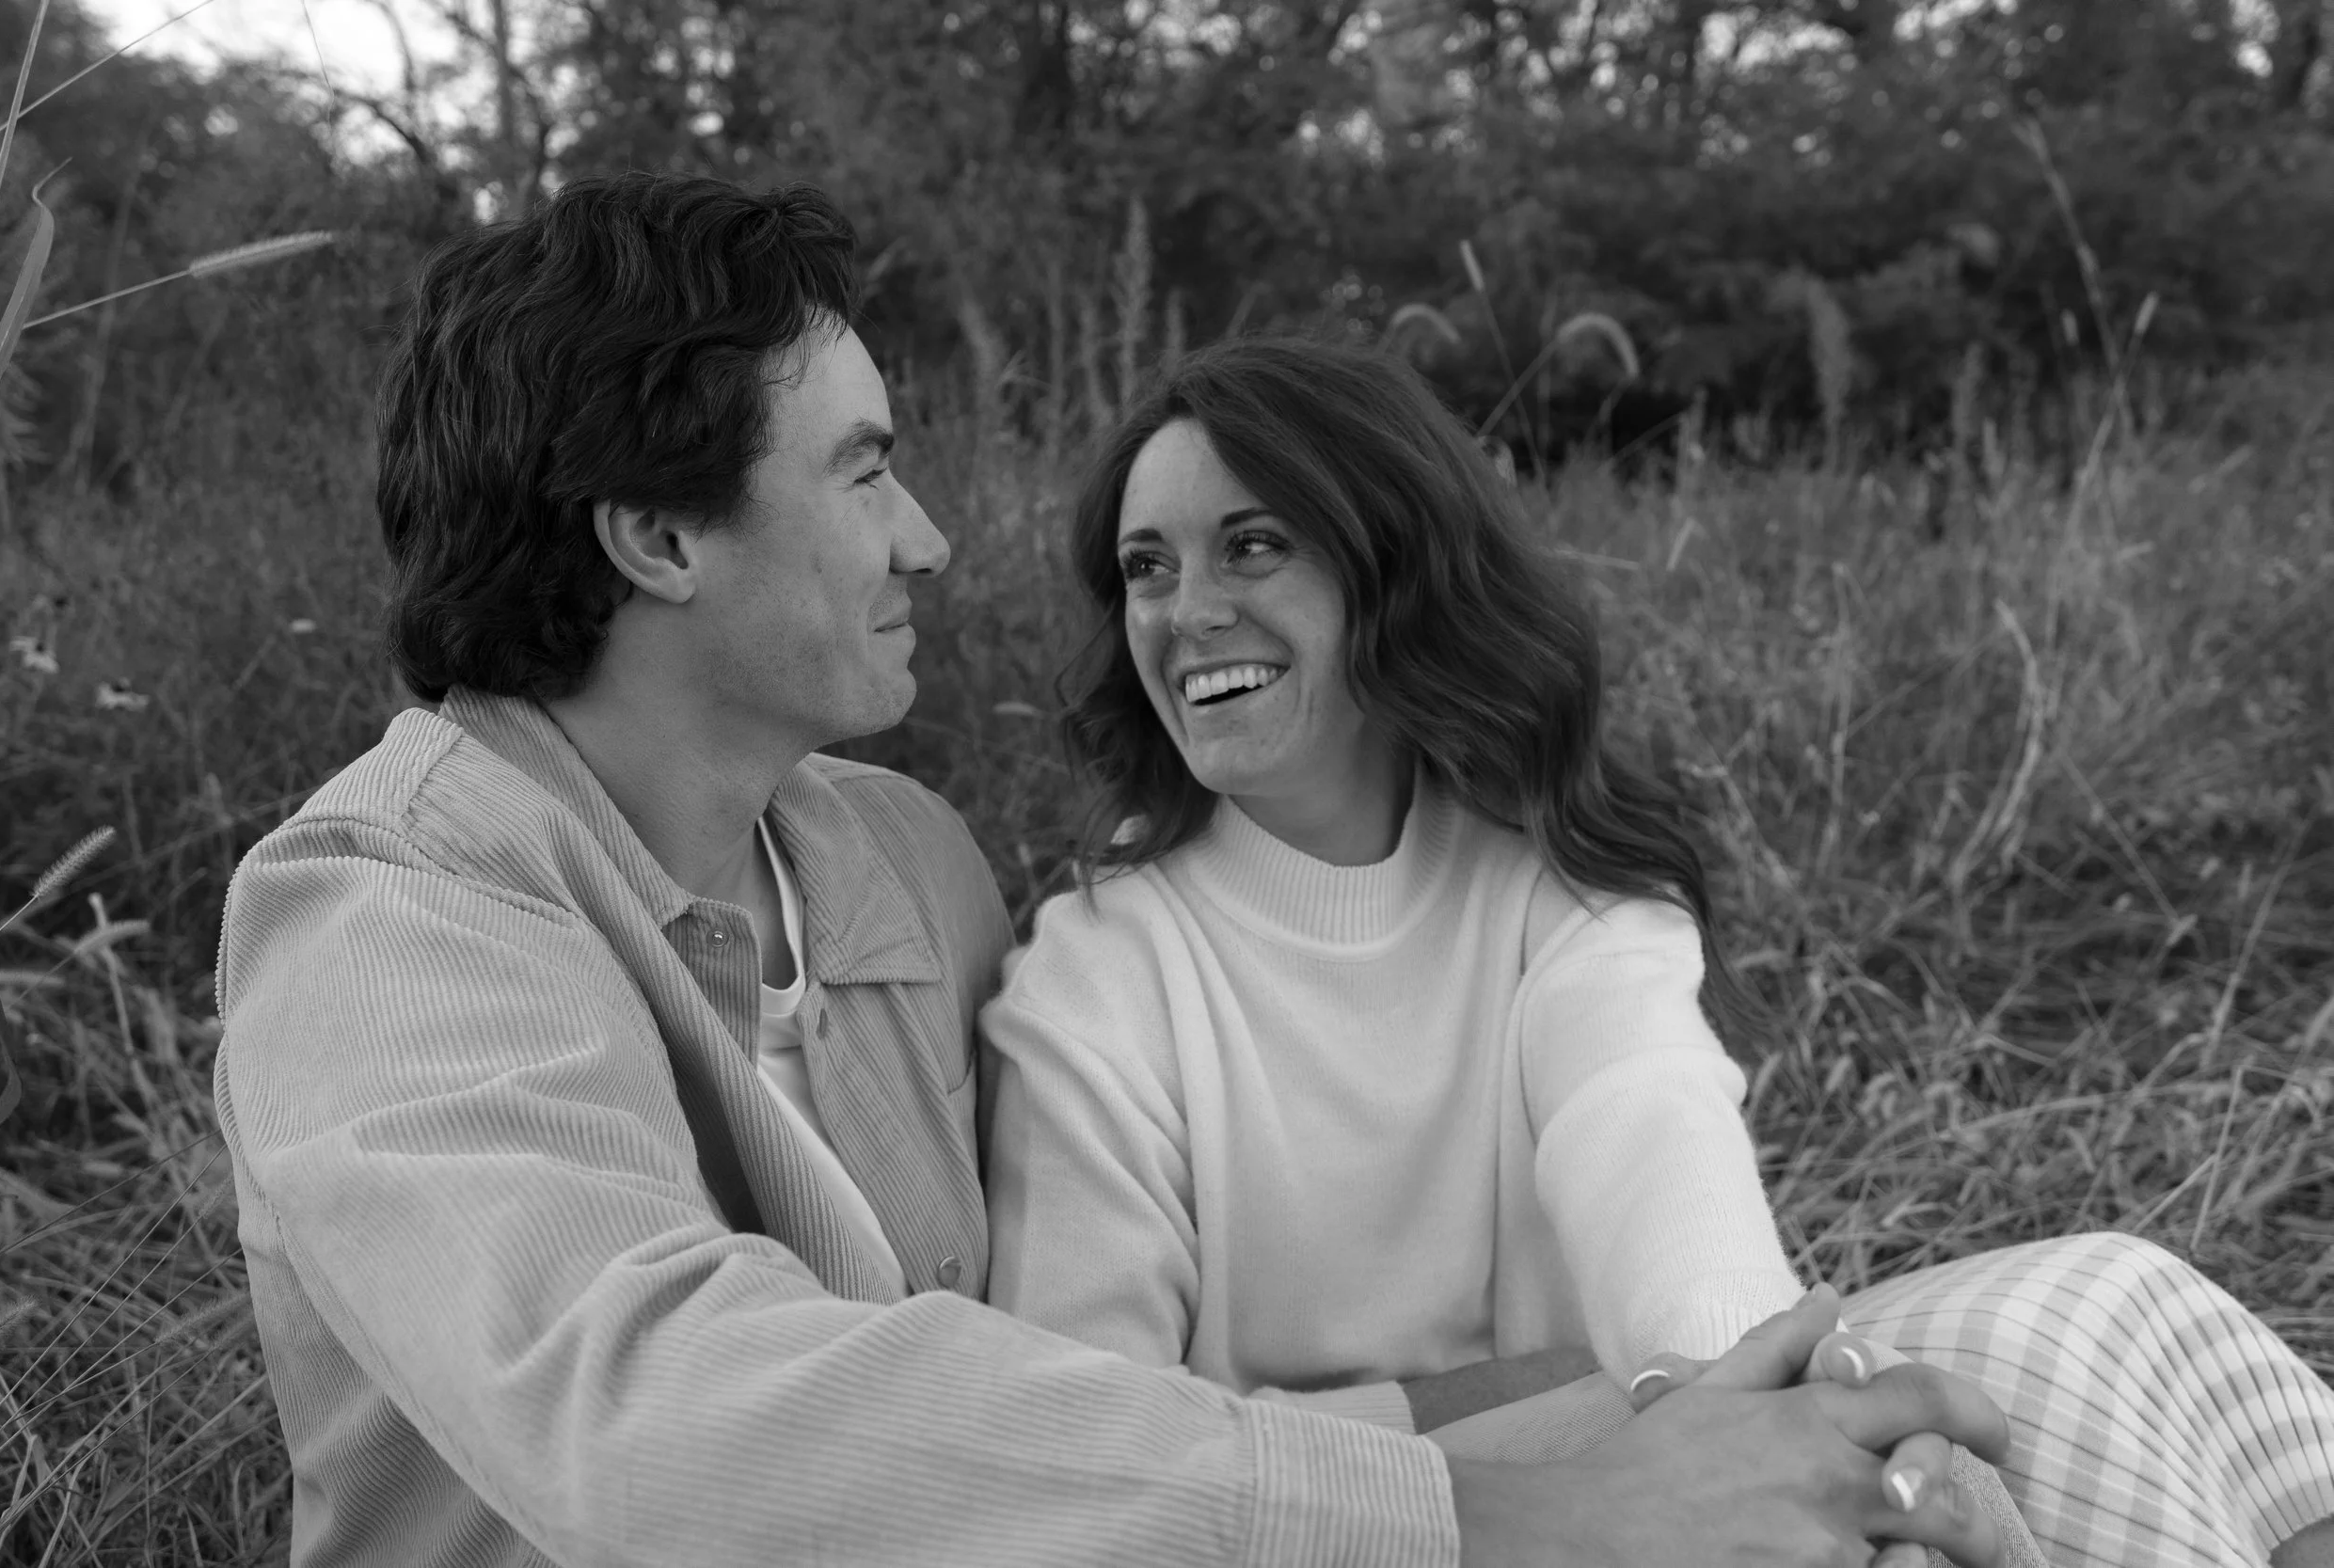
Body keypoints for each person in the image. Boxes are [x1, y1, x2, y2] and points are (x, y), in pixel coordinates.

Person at [215, 169, 2017, 1567]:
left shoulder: (900, 863)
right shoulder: (392, 913)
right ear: (659, 533)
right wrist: (1537, 1511)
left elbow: (1071, 1406)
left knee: (2048, 1348)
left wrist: (1613, 1410)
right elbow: (651, 1414)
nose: (925, 539)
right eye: (862, 473)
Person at [979, 334, 2334, 1568]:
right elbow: (1088, 1458)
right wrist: (1553, 1405)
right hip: (1341, 1531)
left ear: (1391, 564)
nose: (1184, 609)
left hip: (1654, 1472)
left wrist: (1781, 1425)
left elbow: (1656, 1153)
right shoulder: (1098, 974)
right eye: (1146, 565)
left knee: (2101, 1314)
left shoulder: (1558, 886)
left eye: (1252, 544)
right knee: (2019, 1350)